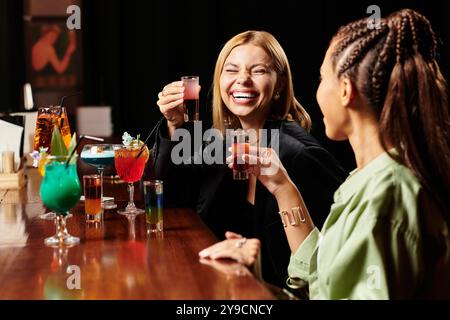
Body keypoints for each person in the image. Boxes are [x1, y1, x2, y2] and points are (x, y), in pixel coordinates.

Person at [199, 9, 450, 299]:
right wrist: (257, 282)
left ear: (345, 91)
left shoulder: (386, 196)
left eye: (321, 78)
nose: (316, 92)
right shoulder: (366, 179)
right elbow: (323, 288)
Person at [145, 30, 346, 287]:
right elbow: (171, 206)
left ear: (280, 84)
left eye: (258, 71)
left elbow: (330, 265)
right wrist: (175, 125)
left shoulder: (301, 155)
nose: (243, 80)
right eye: (231, 70)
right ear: (219, 81)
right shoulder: (224, 142)